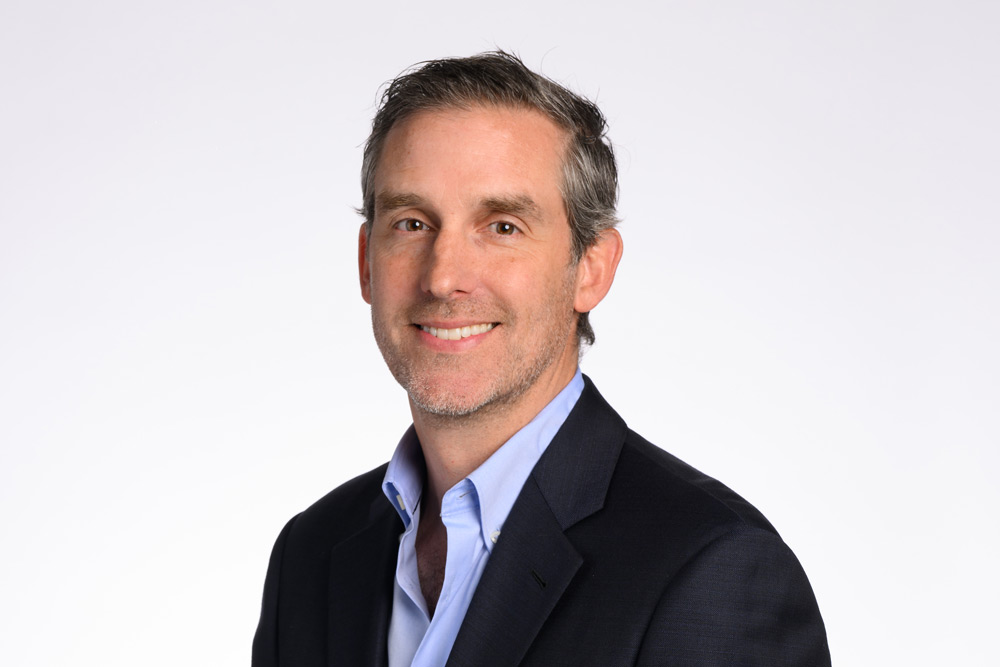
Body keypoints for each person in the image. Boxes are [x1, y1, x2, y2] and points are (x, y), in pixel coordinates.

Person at [252, 51, 831, 667]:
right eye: (413, 223)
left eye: (502, 227)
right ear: (367, 259)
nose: (444, 278)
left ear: (592, 269)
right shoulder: (313, 554)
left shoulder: (712, 571)